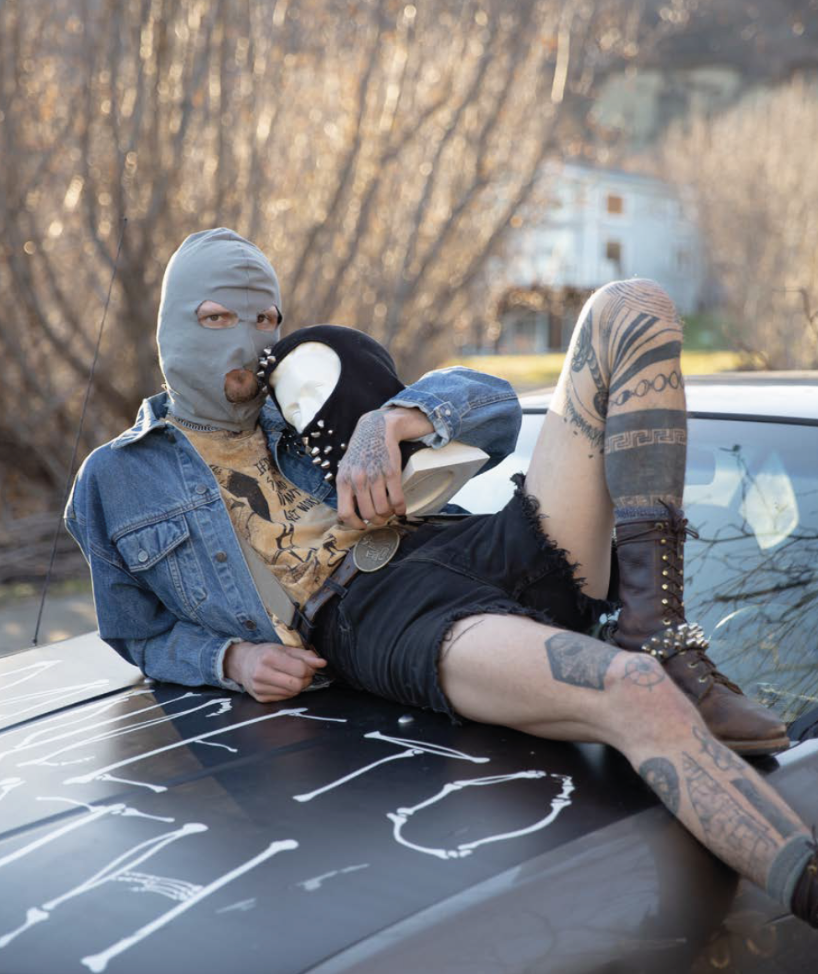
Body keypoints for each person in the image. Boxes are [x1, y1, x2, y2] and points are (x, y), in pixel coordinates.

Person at [65, 228, 818, 928]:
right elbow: (137, 632)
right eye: (217, 318)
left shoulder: (303, 390)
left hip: (463, 541)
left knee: (630, 306)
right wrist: (231, 659)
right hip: (375, 611)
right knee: (633, 690)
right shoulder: (117, 478)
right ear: (176, 326)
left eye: (266, 319)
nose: (249, 340)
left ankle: (660, 629)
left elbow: (495, 410)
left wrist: (390, 421)